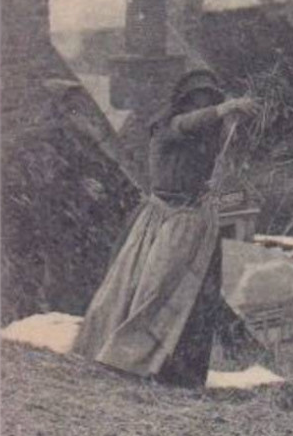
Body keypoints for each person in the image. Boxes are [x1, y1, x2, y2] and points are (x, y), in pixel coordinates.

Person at [74, 69, 261, 388]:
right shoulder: (167, 127)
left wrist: (236, 121)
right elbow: (185, 124)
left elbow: (230, 150)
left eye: (211, 100)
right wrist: (225, 108)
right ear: (184, 102)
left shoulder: (208, 137)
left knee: (186, 299)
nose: (204, 107)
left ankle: (172, 372)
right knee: (147, 290)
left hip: (193, 221)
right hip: (164, 219)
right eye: (199, 100)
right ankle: (121, 356)